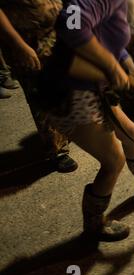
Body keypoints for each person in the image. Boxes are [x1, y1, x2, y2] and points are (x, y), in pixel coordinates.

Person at [49, 0, 134, 242]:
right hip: (72, 93)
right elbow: (70, 22)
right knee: (113, 159)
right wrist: (110, 67)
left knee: (130, 131)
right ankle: (94, 224)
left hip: (95, 88)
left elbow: (117, 49)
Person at [0, 3, 78, 172]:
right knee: (40, 95)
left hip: (57, 31)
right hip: (27, 41)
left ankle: (71, 133)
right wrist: (18, 45)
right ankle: (57, 149)